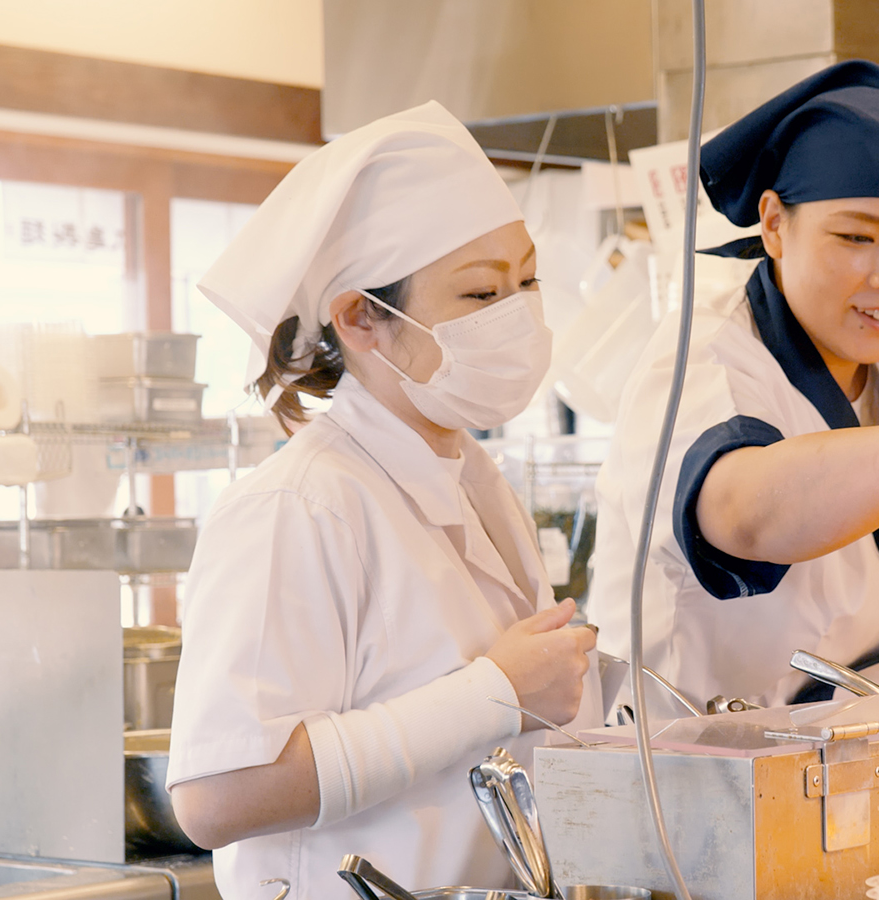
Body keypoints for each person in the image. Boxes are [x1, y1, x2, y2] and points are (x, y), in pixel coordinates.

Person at [166, 102, 599, 900]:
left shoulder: (473, 479)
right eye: (479, 295)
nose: (518, 317)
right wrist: (496, 692)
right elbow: (216, 797)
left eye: (526, 282)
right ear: (363, 318)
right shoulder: (301, 506)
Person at [588, 61, 879, 709]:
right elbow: (743, 513)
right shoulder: (703, 351)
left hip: (854, 759)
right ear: (773, 224)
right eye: (857, 237)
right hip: (693, 766)